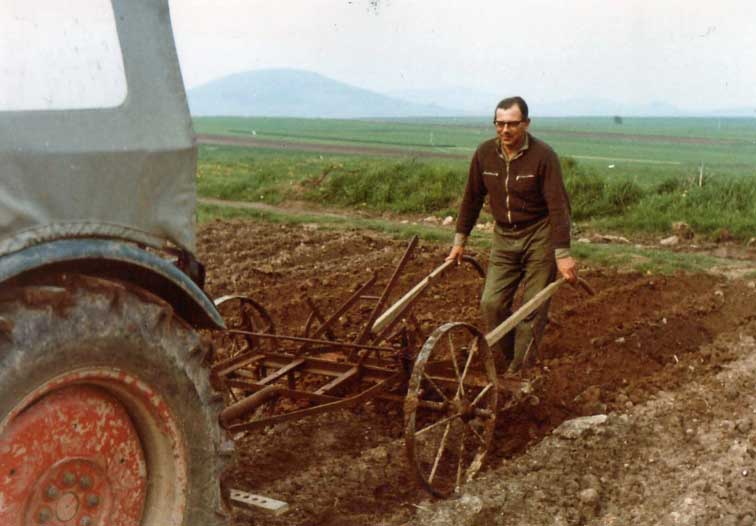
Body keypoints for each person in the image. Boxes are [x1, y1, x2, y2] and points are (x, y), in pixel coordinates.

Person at [447, 96, 577, 373]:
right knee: (491, 303)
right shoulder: (484, 154)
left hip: (539, 236)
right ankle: (506, 359)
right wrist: (460, 241)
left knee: (532, 307)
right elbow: (471, 198)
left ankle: (520, 369)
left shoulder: (543, 156)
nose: (505, 130)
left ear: (526, 124)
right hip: (504, 237)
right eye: (500, 123)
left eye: (512, 124)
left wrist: (563, 254)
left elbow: (558, 206)